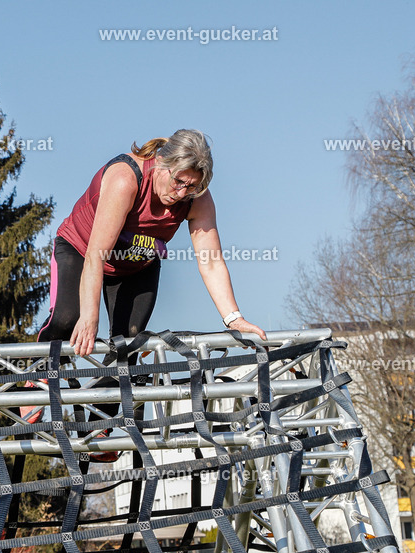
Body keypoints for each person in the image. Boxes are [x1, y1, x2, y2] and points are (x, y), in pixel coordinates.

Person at [22, 130, 265, 440]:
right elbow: (97, 254)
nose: (181, 193)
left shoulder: (196, 199)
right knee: (70, 319)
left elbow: (211, 260)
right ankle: (36, 373)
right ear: (161, 163)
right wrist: (89, 315)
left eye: (191, 187)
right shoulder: (127, 179)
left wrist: (234, 318)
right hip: (83, 252)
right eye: (178, 182)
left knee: (128, 343)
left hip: (136, 266)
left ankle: (101, 427)